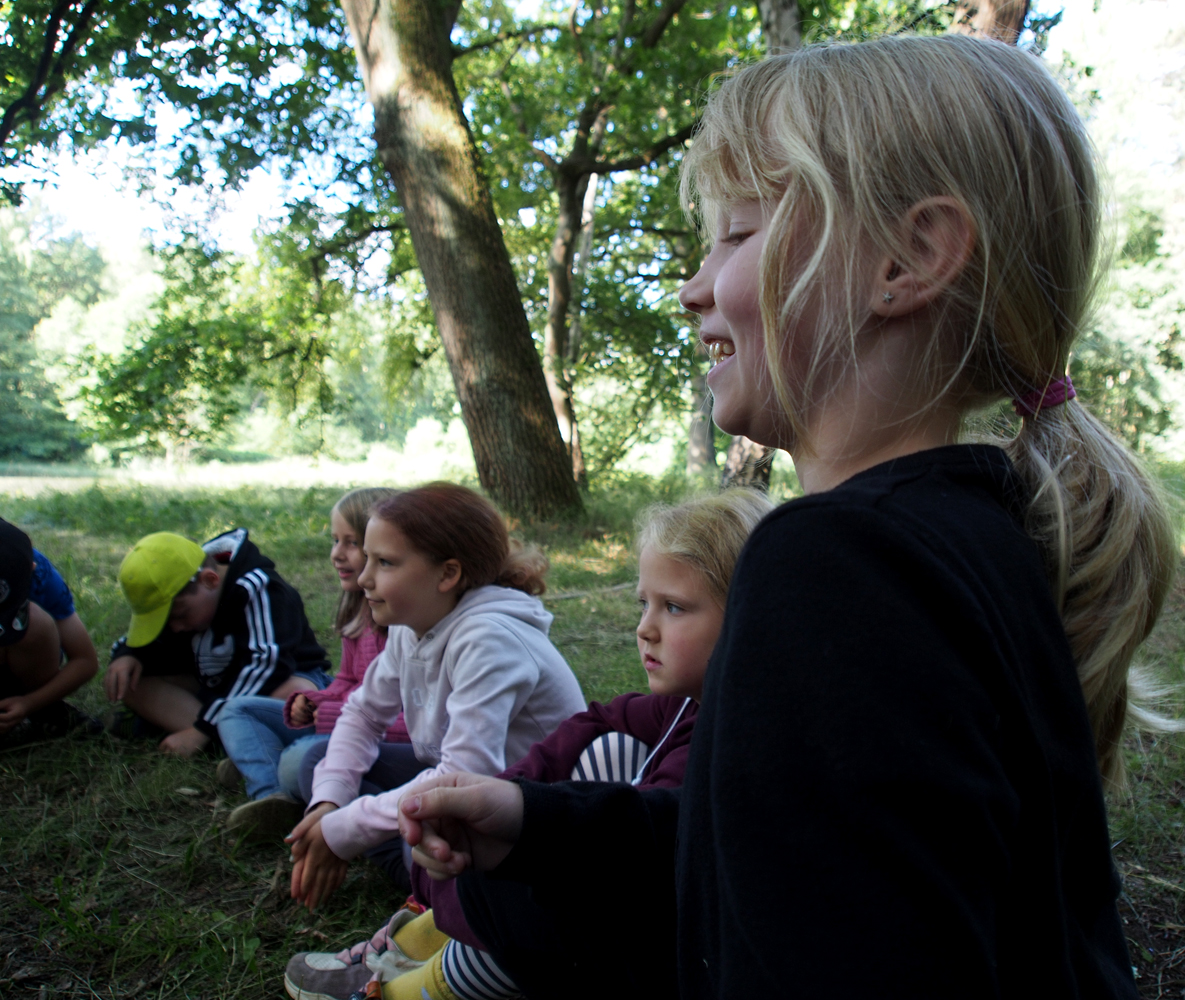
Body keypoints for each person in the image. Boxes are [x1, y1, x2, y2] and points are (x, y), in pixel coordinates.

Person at [395, 35, 1177, 1000]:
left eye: (733, 234)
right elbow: (792, 851)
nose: (691, 289)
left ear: (909, 257)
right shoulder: (979, 532)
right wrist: (537, 821)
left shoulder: (837, 563)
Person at [282, 489, 773, 1000]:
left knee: (482, 874)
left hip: (657, 950)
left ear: (748, 615)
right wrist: (509, 796)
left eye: (672, 607)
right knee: (321, 767)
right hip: (536, 826)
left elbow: (637, 844)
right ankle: (424, 931)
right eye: (643, 603)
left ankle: (410, 984)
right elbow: (598, 719)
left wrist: (473, 841)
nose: (644, 628)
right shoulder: (687, 704)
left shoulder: (731, 746)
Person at [285, 482, 587, 911]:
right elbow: (364, 714)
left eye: (385, 562)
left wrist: (344, 830)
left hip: (531, 811)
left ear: (448, 574)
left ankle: (430, 887)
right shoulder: (411, 628)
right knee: (319, 767)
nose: (366, 577)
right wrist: (330, 804)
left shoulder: (489, 638)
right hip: (466, 788)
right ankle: (416, 877)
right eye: (367, 558)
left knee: (434, 842)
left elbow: (467, 774)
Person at [217, 488, 412, 841]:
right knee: (238, 710)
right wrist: (317, 702)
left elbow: (409, 720)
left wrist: (329, 716)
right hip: (343, 722)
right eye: (335, 541)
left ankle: (262, 764)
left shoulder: (402, 619)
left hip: (377, 736)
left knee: (298, 762)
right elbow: (346, 679)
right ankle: (271, 793)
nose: (338, 554)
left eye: (352, 543)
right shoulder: (357, 609)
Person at [104, 528, 332, 757]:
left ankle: (224, 740)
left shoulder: (259, 589)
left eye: (180, 615)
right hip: (217, 689)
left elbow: (267, 666)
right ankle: (235, 741)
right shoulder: (188, 601)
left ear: (209, 580)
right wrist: (128, 654)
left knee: (296, 693)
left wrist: (201, 730)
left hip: (276, 682)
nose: (175, 627)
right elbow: (146, 642)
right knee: (133, 681)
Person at [0, 519, 99, 743]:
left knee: (35, 622)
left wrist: (29, 704)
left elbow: (85, 661)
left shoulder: (40, 574)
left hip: (21, 682)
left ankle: (43, 710)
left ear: (31, 570)